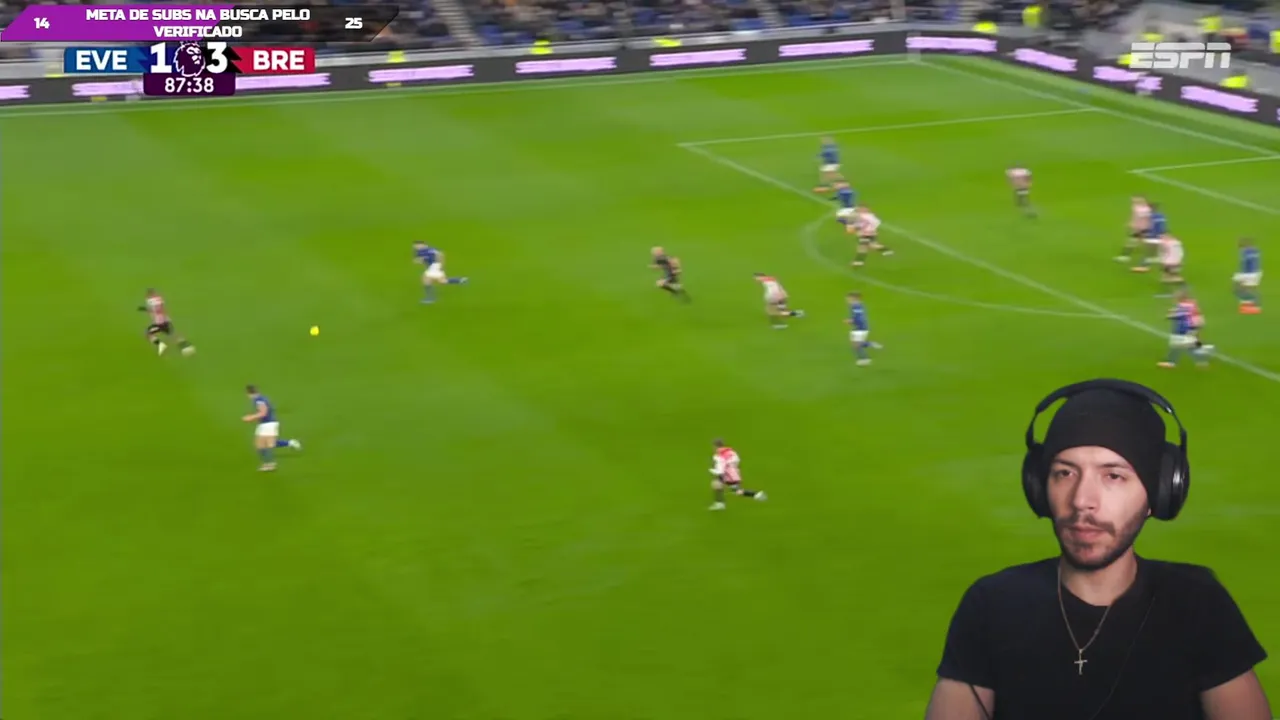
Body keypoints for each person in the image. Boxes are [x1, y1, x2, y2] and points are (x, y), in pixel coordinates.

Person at [925, 379, 1270, 720]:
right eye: (1065, 473)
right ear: (1039, 488)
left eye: (1113, 476)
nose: (1082, 500)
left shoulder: (1198, 605)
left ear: (1159, 493)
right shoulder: (991, 606)